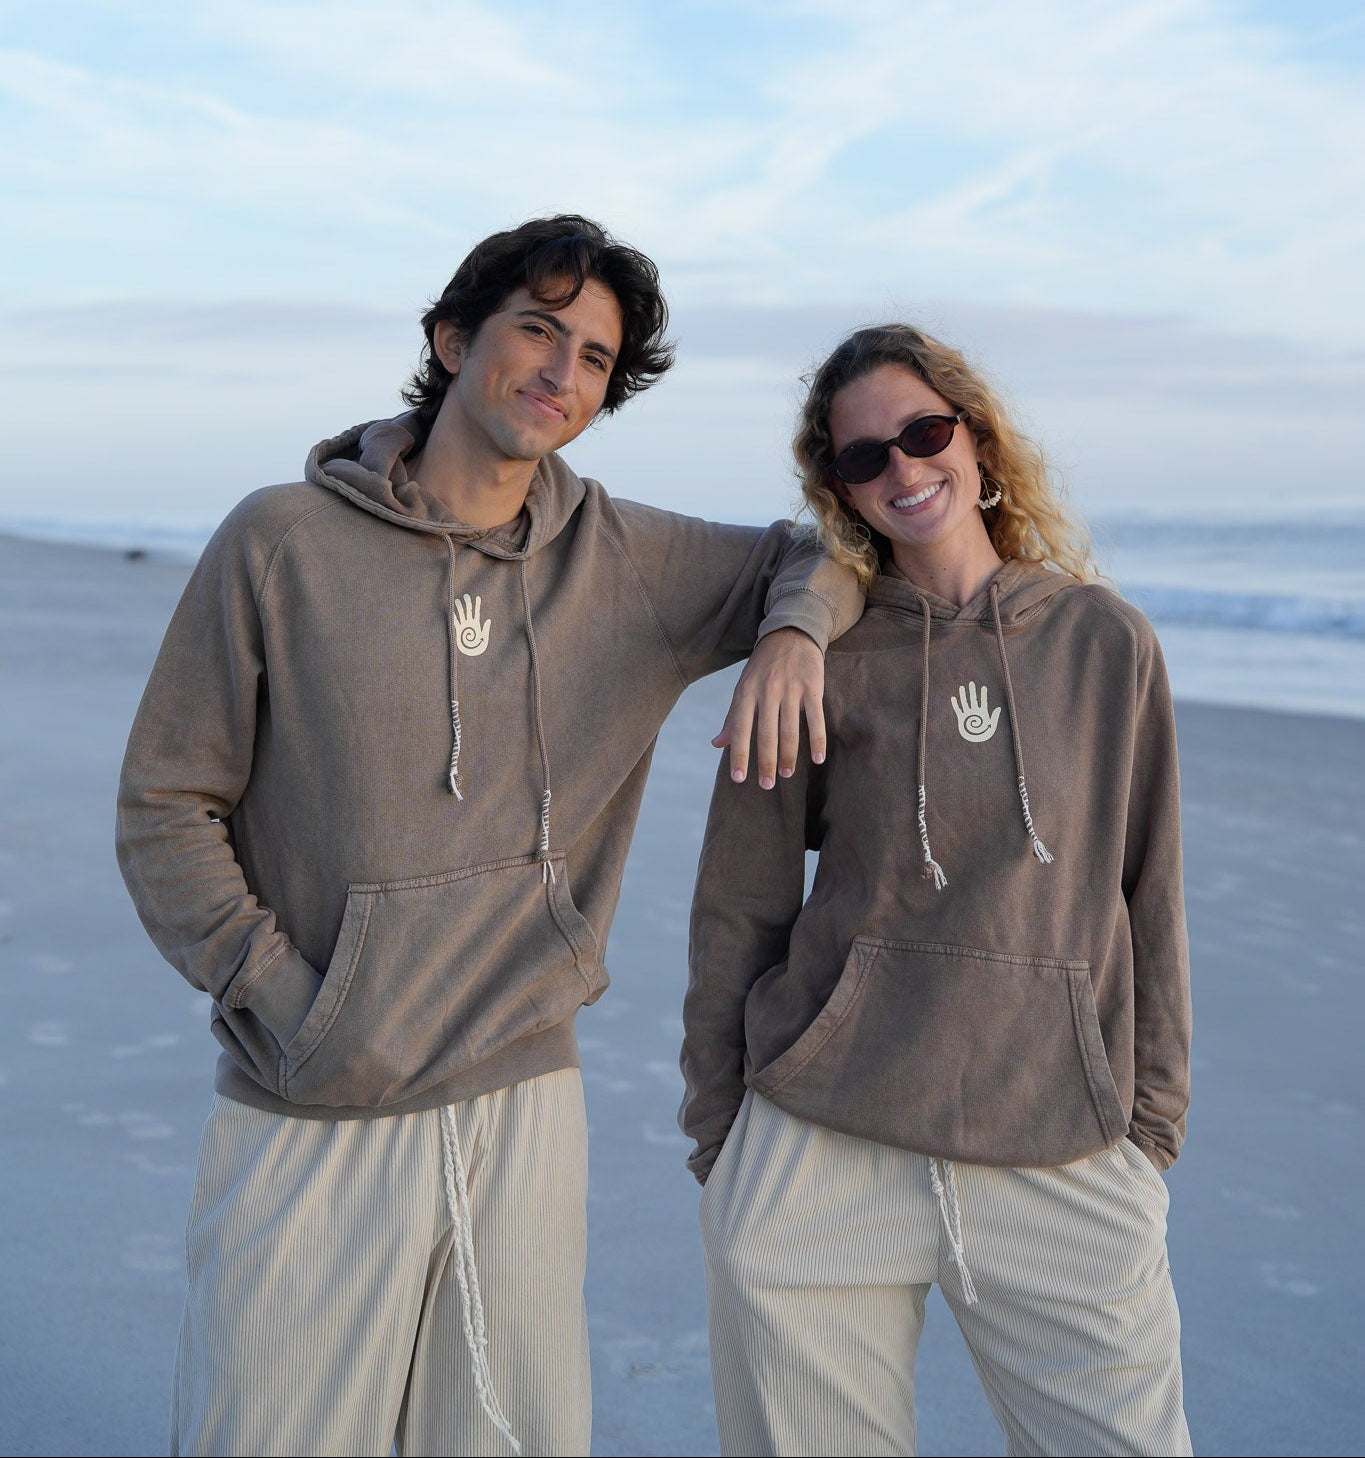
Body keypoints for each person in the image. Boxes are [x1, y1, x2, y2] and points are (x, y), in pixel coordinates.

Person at [115, 214, 862, 1458]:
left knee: (509, 1439)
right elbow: (163, 803)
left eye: (594, 358)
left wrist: (794, 636)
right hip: (312, 1100)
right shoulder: (277, 540)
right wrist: (288, 998)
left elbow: (826, 554)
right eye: (538, 330)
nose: (562, 372)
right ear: (455, 339)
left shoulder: (618, 559)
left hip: (522, 1097)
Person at [680, 322, 1193, 1456]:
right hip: (822, 1145)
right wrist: (721, 1135)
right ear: (841, 490)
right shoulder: (814, 660)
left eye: (924, 432)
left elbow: (1148, 891)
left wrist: (1151, 1123)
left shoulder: (1106, 643)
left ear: (979, 439)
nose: (904, 469)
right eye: (865, 457)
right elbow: (739, 905)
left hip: (1061, 1144)